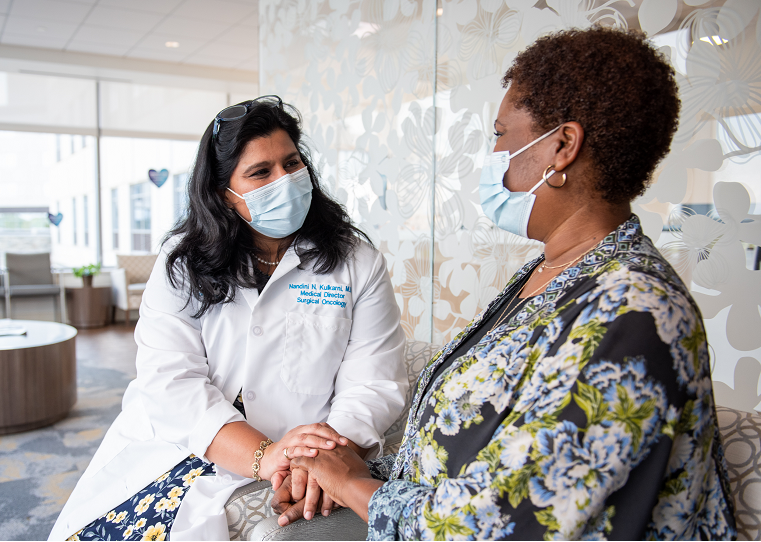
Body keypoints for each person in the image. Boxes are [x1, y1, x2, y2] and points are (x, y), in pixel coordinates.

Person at [274, 27, 736, 540]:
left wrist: (356, 484)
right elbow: (470, 455)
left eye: (500, 134)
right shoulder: (551, 274)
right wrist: (335, 474)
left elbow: (512, 524)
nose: (493, 153)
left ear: (562, 146)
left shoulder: (636, 312)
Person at [49, 96, 408, 541]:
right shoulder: (182, 263)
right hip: (191, 440)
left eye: (292, 163)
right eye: (261, 172)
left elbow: (374, 380)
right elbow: (170, 379)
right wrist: (264, 456)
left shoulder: (356, 262)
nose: (286, 180)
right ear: (225, 195)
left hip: (312, 444)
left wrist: (324, 460)